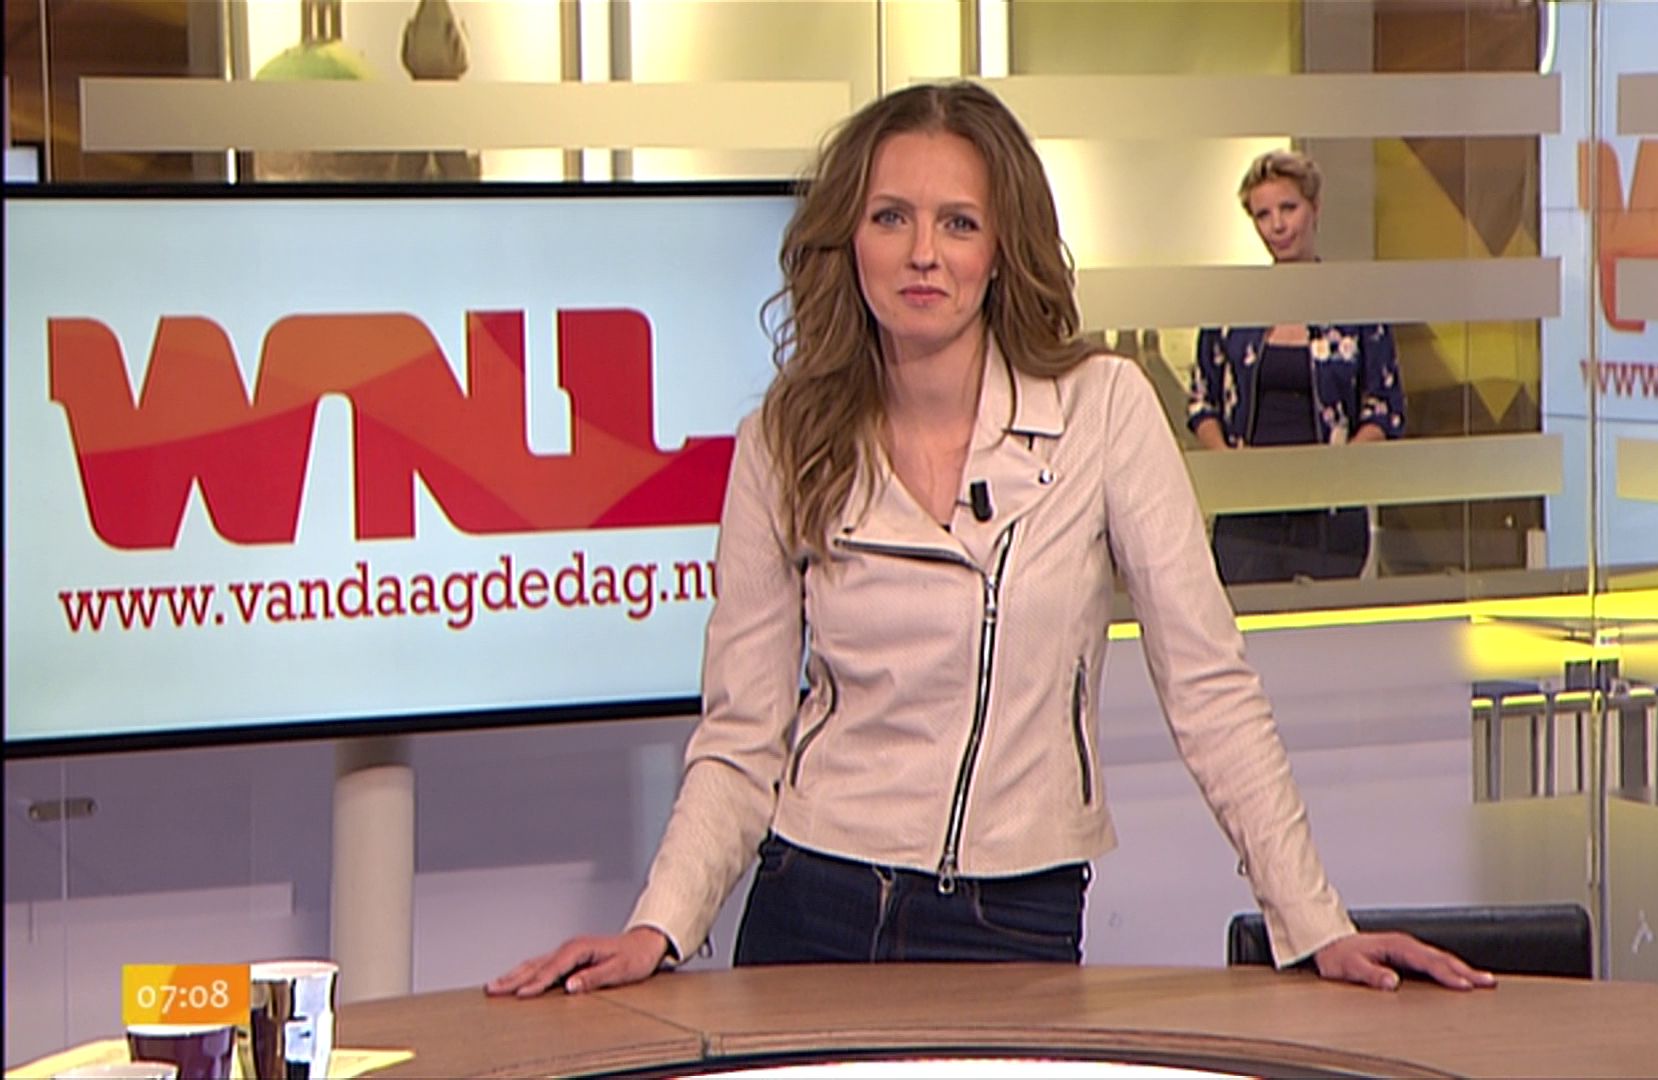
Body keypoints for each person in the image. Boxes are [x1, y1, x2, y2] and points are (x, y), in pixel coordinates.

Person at [487, 82, 1489, 998]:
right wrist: (658, 927)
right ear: (850, 240)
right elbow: (742, 734)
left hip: (1014, 914)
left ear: (1003, 247)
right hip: (811, 903)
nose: (923, 253)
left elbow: (1209, 687)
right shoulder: (784, 439)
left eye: (958, 222)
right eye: (891, 217)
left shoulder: (1103, 410)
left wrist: (1313, 923)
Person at [1187, 149, 1407, 585]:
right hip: (1249, 515)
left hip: (1329, 515)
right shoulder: (1234, 307)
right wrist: (1229, 464)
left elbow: (1385, 407)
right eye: (1263, 215)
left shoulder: (1353, 304)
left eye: (1288, 208)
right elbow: (1201, 401)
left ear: (1315, 207)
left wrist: (1339, 471)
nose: (1277, 225)